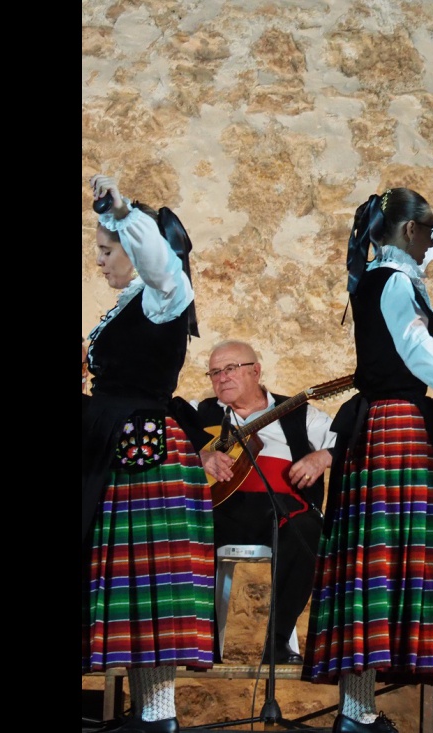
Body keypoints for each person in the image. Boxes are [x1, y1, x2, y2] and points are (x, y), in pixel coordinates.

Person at [303, 185, 433, 733]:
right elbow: (414, 344)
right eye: (425, 231)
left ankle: (356, 710)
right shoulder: (394, 284)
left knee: (373, 567)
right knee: (384, 565)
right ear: (409, 232)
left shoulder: (381, 272)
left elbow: (420, 253)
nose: (427, 244)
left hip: (382, 428)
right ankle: (356, 713)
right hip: (396, 428)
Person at [81, 173, 213, 733]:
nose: (102, 262)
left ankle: (160, 716)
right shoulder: (134, 302)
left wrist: (126, 215)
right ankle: (150, 715)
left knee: (149, 583)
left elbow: (160, 262)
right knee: (133, 584)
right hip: (117, 446)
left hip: (145, 454)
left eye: (108, 251)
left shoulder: (164, 294)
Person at [191, 340, 337, 666]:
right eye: (215, 372)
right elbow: (168, 439)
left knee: (310, 531)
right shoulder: (200, 414)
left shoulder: (301, 414)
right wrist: (201, 455)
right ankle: (202, 645)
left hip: (281, 512)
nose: (221, 378)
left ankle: (278, 640)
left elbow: (347, 445)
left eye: (230, 368)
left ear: (255, 371)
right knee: (183, 533)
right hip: (220, 510)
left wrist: (322, 457)